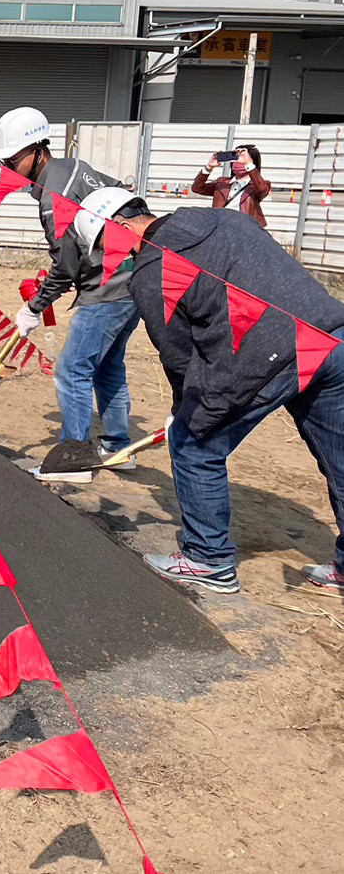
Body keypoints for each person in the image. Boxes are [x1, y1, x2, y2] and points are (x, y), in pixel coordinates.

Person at [72, 188, 344, 594]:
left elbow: (179, 357)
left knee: (192, 444)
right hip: (331, 336)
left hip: (269, 355)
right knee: (340, 456)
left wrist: (183, 411)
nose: (110, 256)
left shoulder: (151, 272)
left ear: (122, 227)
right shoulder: (220, 217)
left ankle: (208, 559)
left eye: (104, 244)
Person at [0, 106, 140, 483]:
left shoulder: (51, 198)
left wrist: (33, 308)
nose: (8, 169)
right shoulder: (78, 167)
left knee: (72, 369)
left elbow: (65, 268)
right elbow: (130, 203)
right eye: (4, 162)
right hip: (134, 277)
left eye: (12, 160)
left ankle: (74, 457)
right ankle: (116, 448)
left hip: (106, 289)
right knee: (108, 367)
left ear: (37, 150)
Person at [193, 144, 271, 228]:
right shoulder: (223, 183)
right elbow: (197, 188)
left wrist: (248, 164)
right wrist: (209, 167)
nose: (238, 162)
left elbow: (261, 189)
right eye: (235, 158)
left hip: (245, 228)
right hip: (221, 227)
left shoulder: (258, 185)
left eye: (241, 157)